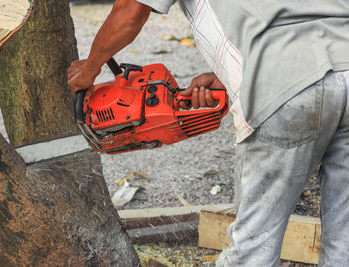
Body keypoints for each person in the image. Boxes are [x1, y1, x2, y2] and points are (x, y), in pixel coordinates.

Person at [68, 0, 349, 266]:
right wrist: (226, 75)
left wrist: (88, 69)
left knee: (253, 246)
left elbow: (130, 11)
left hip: (282, 86)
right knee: (344, 240)